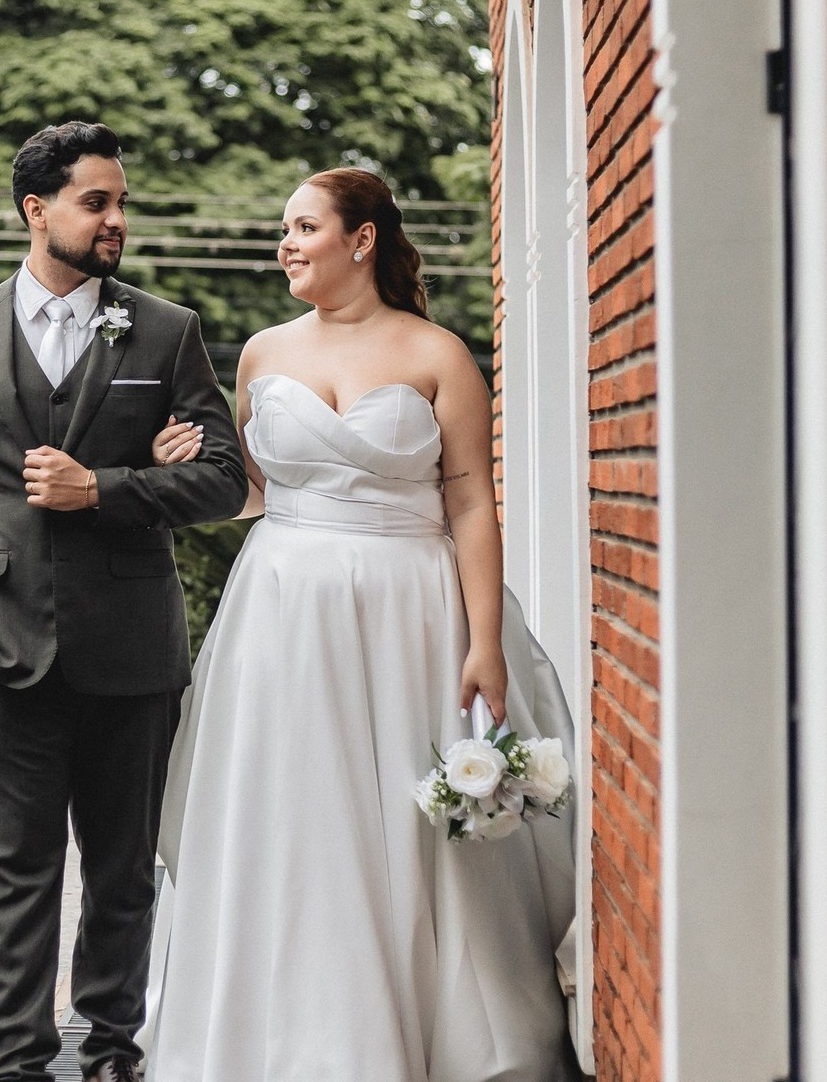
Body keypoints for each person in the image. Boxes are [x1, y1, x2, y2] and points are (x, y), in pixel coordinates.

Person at [141, 168, 577, 1081]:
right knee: (294, 808)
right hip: (284, 612)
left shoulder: (437, 355)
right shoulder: (262, 353)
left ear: (362, 240)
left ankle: (433, 1029)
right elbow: (253, 495)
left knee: (402, 817)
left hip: (411, 609)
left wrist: (485, 640)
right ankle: (288, 1032)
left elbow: (469, 504)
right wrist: (180, 463)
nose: (286, 244)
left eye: (303, 227)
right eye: (284, 229)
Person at [0, 120, 246, 1082]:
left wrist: (110, 488)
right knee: (13, 875)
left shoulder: (166, 331)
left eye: (121, 201)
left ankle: (111, 1052)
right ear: (38, 209)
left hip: (131, 648)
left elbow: (221, 481)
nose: (116, 218)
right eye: (98, 201)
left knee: (123, 875)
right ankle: (11, 1062)